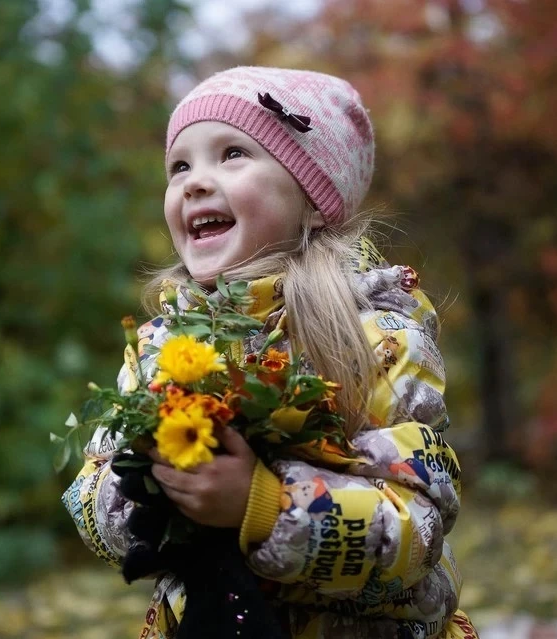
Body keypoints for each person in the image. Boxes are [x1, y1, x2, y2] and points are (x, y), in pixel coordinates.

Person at [61, 66, 478, 639]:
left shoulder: (374, 336)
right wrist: (151, 496)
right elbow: (92, 487)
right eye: (179, 165)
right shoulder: (162, 345)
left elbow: (420, 523)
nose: (195, 181)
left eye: (232, 154)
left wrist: (262, 504)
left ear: (311, 201)